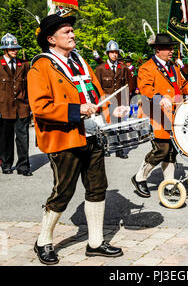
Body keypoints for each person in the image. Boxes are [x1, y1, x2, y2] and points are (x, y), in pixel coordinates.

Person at [28, 14, 127, 265]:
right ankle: (43, 241)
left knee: (97, 187)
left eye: (72, 31)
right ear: (51, 39)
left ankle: (95, 243)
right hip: (64, 137)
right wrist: (78, 110)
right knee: (64, 191)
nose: (72, 35)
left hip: (92, 134)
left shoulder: (80, 61)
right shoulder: (41, 66)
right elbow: (40, 107)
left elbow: (94, 93)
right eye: (66, 32)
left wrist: (110, 109)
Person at [131, 33, 188, 198]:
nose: (171, 51)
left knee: (172, 151)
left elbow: (182, 84)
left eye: (171, 48)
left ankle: (169, 183)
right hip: (156, 114)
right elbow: (146, 88)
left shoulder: (173, 66)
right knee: (161, 150)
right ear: (157, 49)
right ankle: (140, 177)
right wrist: (160, 98)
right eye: (168, 48)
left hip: (174, 114)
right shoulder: (147, 67)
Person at [0, 33, 32, 176]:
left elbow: (29, 86)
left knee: (23, 138)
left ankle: (23, 166)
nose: (15, 51)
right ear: (5, 50)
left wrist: (31, 106)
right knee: (5, 138)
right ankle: (6, 164)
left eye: (16, 48)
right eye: (12, 49)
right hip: (4, 107)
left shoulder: (24, 64)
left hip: (22, 107)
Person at [95, 40, 132, 159]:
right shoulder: (101, 68)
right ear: (107, 53)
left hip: (120, 102)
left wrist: (126, 103)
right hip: (107, 102)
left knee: (119, 126)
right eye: (111, 52)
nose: (114, 54)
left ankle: (119, 149)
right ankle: (106, 147)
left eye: (116, 52)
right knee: (107, 126)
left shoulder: (123, 68)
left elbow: (126, 86)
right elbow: (97, 88)